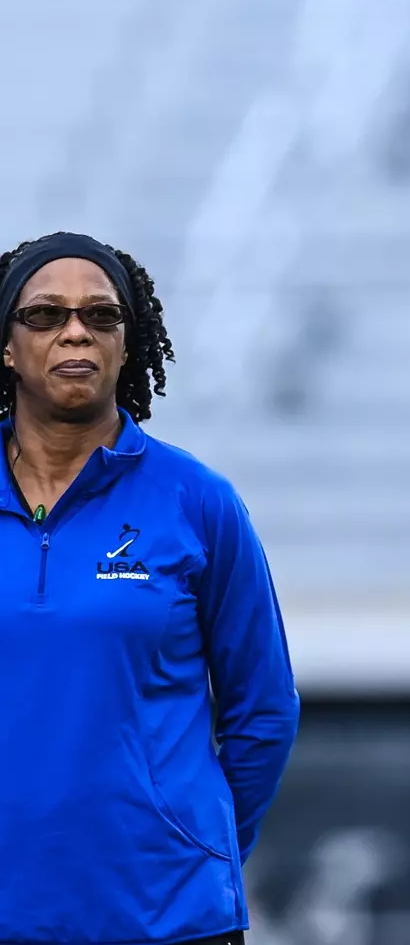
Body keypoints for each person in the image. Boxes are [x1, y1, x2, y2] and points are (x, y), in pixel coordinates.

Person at [0, 232, 301, 945]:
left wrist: (197, 846)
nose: (76, 330)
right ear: (6, 346)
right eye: (45, 315)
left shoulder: (196, 501)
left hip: (166, 918)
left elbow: (263, 709)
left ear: (128, 345)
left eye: (102, 316)